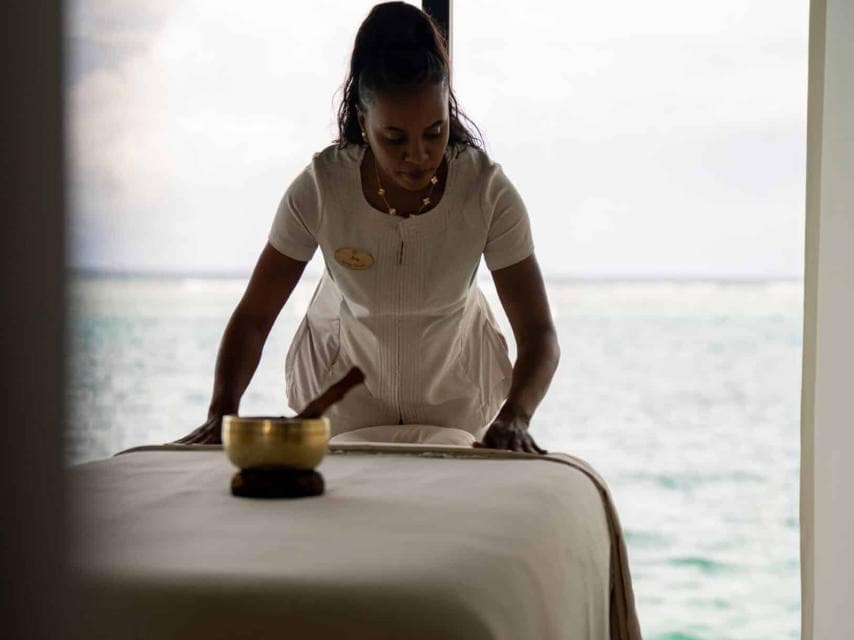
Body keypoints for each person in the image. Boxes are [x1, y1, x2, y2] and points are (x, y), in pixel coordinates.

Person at [176, 2, 559, 453]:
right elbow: (255, 316)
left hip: (457, 402)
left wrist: (515, 417)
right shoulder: (322, 188)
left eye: (434, 133)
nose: (417, 155)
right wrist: (221, 410)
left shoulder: (485, 191)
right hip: (343, 405)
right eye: (394, 138)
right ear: (364, 123)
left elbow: (539, 334)